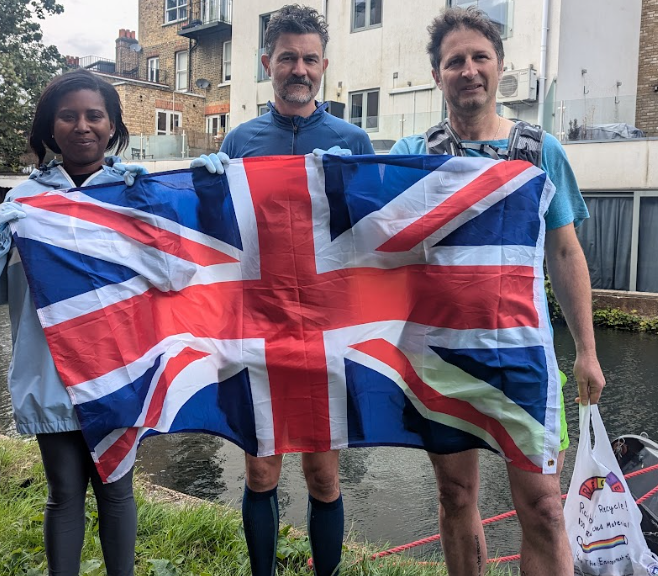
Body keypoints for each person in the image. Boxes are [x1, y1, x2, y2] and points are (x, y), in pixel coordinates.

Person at [390, 7, 606, 576]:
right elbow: (366, 231)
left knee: (543, 509)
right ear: (437, 75)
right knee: (457, 500)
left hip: (523, 359)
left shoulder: (539, 151)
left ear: (500, 65)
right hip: (440, 357)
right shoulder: (415, 155)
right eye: (453, 61)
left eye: (479, 57)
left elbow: (565, 253)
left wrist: (586, 349)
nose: (468, 70)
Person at [191, 5, 373, 576]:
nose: (300, 69)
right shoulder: (242, 138)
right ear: (266, 62)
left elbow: (373, 235)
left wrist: (351, 188)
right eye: (288, 58)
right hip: (260, 322)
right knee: (261, 471)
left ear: (324, 65)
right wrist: (201, 189)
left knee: (323, 475)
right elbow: (216, 235)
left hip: (326, 327)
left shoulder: (353, 137)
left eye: (310, 58)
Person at [0, 69, 145, 576]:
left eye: (95, 115)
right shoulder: (22, 201)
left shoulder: (136, 195)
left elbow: (178, 278)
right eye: (68, 116)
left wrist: (206, 193)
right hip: (51, 370)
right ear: (50, 128)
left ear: (113, 126)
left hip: (120, 369)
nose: (82, 126)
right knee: (64, 491)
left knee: (117, 490)